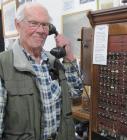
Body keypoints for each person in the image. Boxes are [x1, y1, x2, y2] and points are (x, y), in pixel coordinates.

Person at [0, 2, 83, 140]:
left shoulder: (53, 62)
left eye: (44, 25)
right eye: (33, 23)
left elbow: (76, 92)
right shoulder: (3, 65)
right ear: (17, 25)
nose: (40, 30)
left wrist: (68, 56)